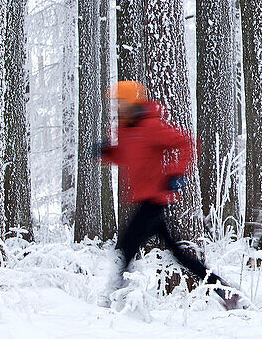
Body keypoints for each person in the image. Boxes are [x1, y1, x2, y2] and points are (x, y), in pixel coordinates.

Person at [97, 80, 239, 309]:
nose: (116, 107)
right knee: (177, 254)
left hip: (154, 199)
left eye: (120, 102)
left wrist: (175, 173)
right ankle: (225, 289)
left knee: (127, 246)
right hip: (143, 199)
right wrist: (107, 153)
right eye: (115, 103)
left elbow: (187, 143)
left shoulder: (151, 126)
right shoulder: (124, 129)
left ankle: (115, 300)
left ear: (132, 102)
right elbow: (125, 156)